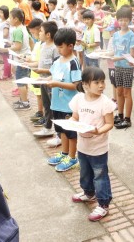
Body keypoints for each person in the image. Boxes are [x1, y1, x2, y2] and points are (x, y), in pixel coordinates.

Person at [70, 67, 116, 221]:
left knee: (100, 176)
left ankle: (103, 204)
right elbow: (75, 117)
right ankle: (89, 193)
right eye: (97, 82)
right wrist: (70, 123)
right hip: (82, 146)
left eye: (103, 81)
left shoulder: (105, 102)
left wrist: (98, 131)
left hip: (98, 148)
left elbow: (110, 123)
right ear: (85, 85)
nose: (102, 85)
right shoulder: (79, 99)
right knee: (85, 172)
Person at [46, 28, 82, 172]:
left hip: (69, 106)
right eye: (57, 46)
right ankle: (64, 153)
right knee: (61, 130)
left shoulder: (74, 63)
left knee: (71, 133)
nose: (58, 49)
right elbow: (53, 76)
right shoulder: (57, 60)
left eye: (61, 47)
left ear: (70, 46)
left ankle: (73, 158)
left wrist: (56, 84)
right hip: (57, 103)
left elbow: (75, 85)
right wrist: (46, 80)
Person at [28, 21, 60, 137]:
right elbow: (41, 63)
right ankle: (47, 127)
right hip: (42, 81)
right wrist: (31, 65)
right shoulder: (42, 46)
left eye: (41, 31)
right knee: (46, 105)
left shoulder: (55, 48)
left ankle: (57, 132)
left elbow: (56, 68)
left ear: (48, 34)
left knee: (53, 106)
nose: (39, 33)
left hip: (51, 82)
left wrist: (42, 71)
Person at [109, 6, 134, 129]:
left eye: (125, 20)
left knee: (127, 93)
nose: (123, 22)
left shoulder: (131, 35)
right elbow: (113, 51)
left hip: (127, 67)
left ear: (130, 20)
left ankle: (127, 118)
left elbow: (131, 55)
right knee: (119, 92)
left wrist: (118, 58)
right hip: (117, 66)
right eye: (120, 20)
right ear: (117, 21)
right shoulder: (115, 35)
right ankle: (119, 115)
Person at [8, 8, 32, 111]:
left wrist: (6, 49)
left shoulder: (17, 30)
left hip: (20, 60)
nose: (9, 20)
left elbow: (17, 46)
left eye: (10, 18)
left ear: (16, 19)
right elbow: (30, 42)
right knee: (24, 81)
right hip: (25, 58)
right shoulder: (23, 28)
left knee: (20, 82)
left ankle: (25, 103)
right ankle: (23, 99)